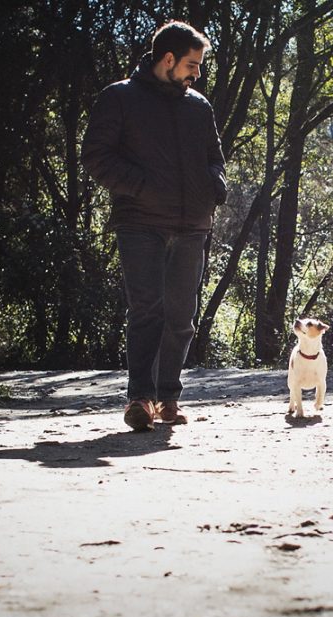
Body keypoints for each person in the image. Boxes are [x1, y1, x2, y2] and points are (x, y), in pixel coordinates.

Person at [81, 20, 227, 431]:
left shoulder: (198, 105)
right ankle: (140, 399)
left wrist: (215, 187)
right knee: (146, 311)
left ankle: (168, 399)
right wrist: (142, 187)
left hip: (192, 225)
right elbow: (96, 156)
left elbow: (215, 158)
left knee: (181, 317)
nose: (197, 73)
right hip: (140, 223)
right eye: (192, 64)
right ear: (169, 59)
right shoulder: (119, 98)